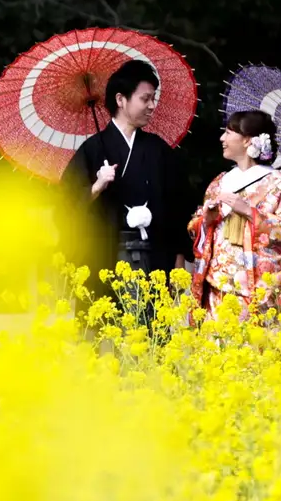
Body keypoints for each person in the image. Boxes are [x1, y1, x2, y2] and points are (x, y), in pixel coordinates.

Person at [60, 59, 190, 319]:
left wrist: (179, 259)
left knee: (150, 334)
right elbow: (65, 205)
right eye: (145, 99)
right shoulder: (93, 149)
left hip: (154, 254)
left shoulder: (159, 150)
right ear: (121, 99)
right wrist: (96, 186)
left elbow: (178, 205)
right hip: (106, 252)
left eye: (154, 99)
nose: (152, 106)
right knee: (103, 333)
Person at [186, 109, 281, 320]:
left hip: (253, 286)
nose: (222, 138)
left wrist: (249, 212)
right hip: (218, 282)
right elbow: (197, 226)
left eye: (229, 132)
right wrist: (207, 221)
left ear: (247, 141)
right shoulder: (221, 181)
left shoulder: (274, 183)